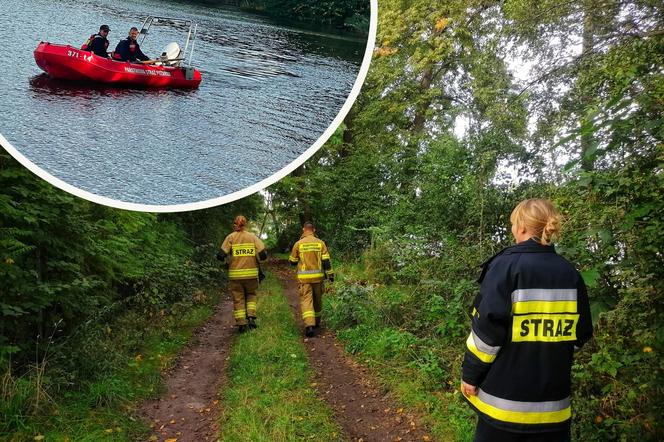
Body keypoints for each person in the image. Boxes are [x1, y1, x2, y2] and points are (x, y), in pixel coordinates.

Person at [460, 199, 593, 441]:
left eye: (513, 224)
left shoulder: (506, 267)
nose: (512, 229)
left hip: (504, 410)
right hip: (554, 413)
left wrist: (470, 375)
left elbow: (487, 334)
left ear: (521, 227)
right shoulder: (569, 272)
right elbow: (580, 333)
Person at [217, 216, 267, 333]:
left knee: (238, 298)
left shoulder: (231, 237)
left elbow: (220, 256)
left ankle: (241, 324)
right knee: (251, 295)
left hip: (235, 276)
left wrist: (228, 257)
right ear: (245, 225)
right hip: (251, 275)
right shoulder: (252, 237)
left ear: (235, 225)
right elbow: (263, 254)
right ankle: (251, 317)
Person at [289, 222, 334, 337]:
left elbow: (293, 262)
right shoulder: (320, 243)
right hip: (318, 279)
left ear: (303, 229)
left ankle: (309, 326)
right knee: (317, 300)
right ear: (314, 230)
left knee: (306, 301)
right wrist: (330, 275)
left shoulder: (298, 244)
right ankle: (317, 323)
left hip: (304, 280)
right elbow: (326, 262)